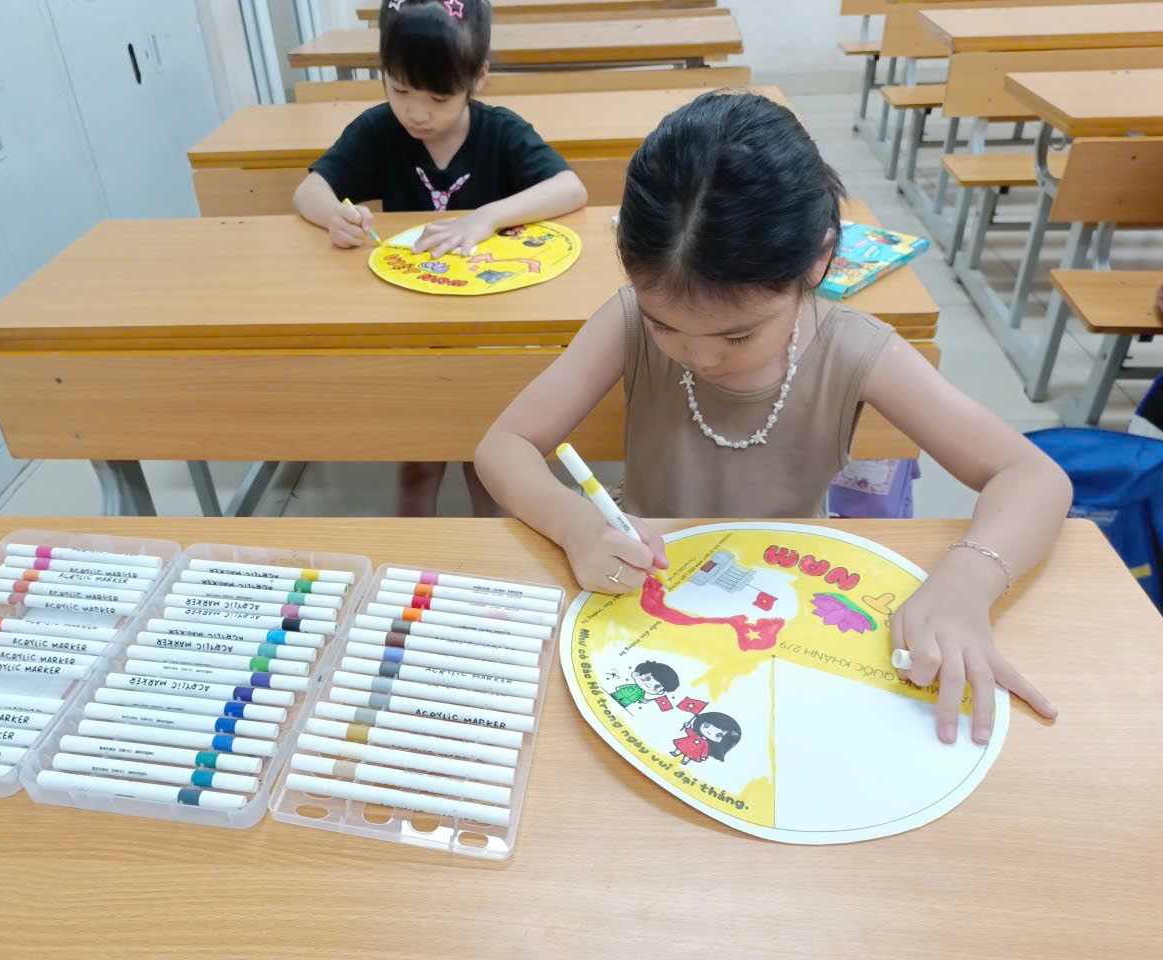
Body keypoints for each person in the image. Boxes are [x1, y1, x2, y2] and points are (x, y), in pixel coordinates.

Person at [476, 92, 1070, 746]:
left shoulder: (853, 347)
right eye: (665, 325)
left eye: (736, 337)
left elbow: (1034, 477)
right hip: (645, 596)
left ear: (816, 263)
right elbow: (503, 445)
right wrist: (576, 524)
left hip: (793, 612)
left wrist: (969, 579)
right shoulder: (623, 321)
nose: (700, 356)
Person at [293, 0, 588, 518]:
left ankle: (489, 564)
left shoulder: (500, 132)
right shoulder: (380, 129)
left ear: (478, 78)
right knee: (417, 466)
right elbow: (311, 190)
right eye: (400, 89)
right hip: (414, 327)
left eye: (439, 96)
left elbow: (570, 187)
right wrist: (332, 216)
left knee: (488, 466)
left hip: (489, 329)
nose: (417, 112)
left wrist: (486, 217)